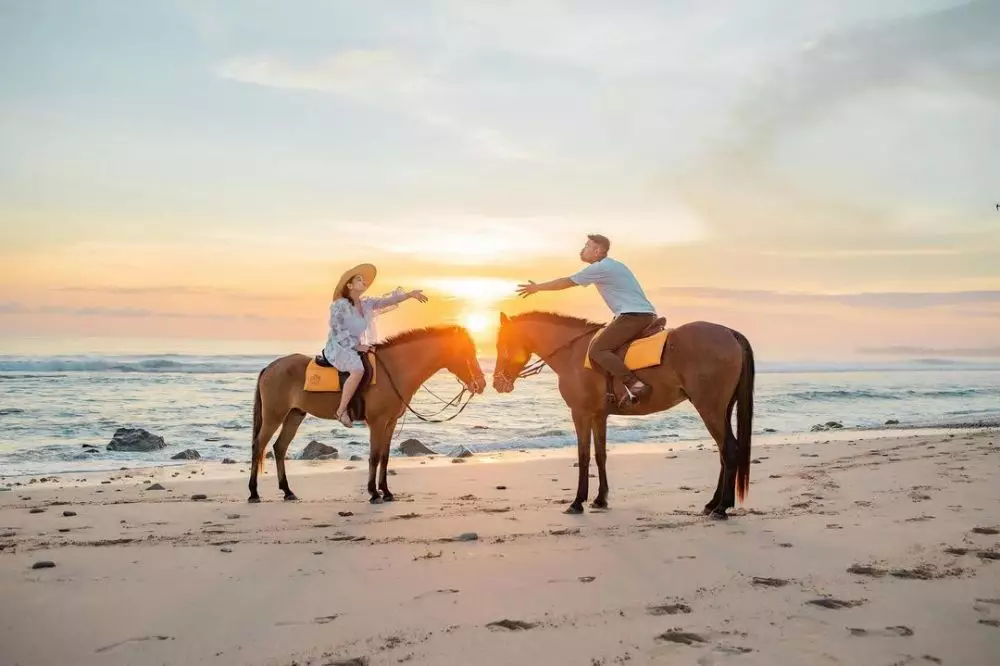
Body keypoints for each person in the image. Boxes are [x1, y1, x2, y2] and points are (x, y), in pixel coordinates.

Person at [516, 234, 658, 402]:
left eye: (587, 246)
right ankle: (613, 391)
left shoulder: (601, 267)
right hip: (640, 314)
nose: (582, 249)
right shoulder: (613, 265)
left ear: (598, 250)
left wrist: (537, 288)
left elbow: (566, 282)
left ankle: (634, 384)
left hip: (633, 316)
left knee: (597, 350)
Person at [324, 263, 429, 427]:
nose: (363, 281)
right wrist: (356, 347)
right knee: (358, 370)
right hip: (340, 346)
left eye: (363, 279)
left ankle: (368, 408)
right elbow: (337, 330)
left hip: (357, 344)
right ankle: (341, 410)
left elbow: (388, 300)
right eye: (358, 279)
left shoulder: (366, 304)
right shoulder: (340, 305)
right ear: (349, 285)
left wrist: (409, 295)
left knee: (379, 365)